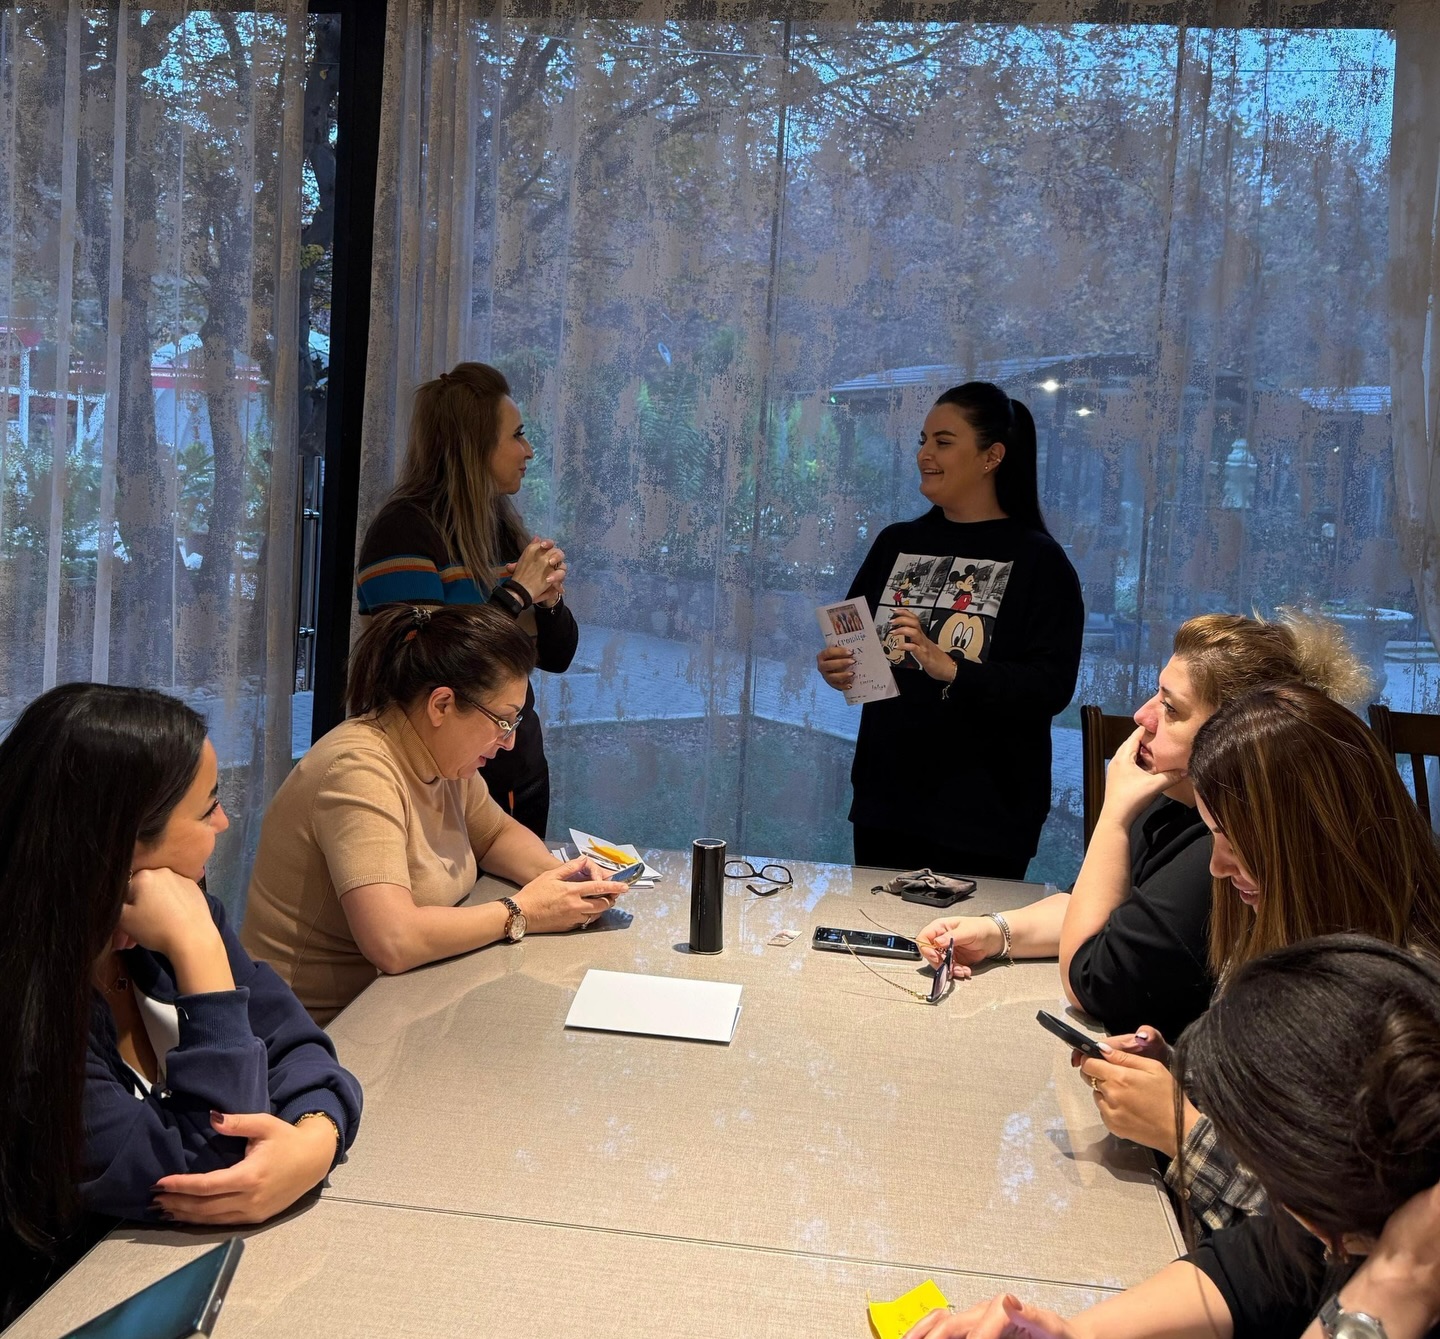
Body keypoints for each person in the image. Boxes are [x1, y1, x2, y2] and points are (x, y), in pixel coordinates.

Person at [0, 685, 362, 1327]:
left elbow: (301, 1050)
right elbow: (211, 1168)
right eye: (209, 808)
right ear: (121, 845)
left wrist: (312, 1142)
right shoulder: (28, 1009)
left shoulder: (169, 919)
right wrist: (199, 953)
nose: (224, 824)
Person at [904, 937, 1440, 1339]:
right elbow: (1257, 1267)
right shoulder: (1355, 1217)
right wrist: (1074, 1332)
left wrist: (1395, 1287)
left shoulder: (1404, 1272)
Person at [1071, 683, 1440, 1231]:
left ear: (1310, 840)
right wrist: (1176, 1076)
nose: (1216, 867)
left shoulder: (1402, 1001)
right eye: (1212, 834)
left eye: (1233, 840)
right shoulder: (1279, 924)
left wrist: (1179, 1129)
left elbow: (1349, 1237)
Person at [914, 611, 1369, 1041]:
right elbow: (1091, 906)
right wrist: (996, 931)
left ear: (1236, 733)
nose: (1142, 716)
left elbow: (1093, 983)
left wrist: (1113, 817)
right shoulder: (1172, 799)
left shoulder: (1223, 850)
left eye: (1170, 708)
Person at [243, 603, 625, 1025]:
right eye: (503, 722)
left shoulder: (443, 759)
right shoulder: (358, 771)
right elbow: (394, 940)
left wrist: (559, 879)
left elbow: (496, 834)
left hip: (398, 1007)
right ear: (441, 704)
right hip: (314, 1031)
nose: (509, 743)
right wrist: (522, 911)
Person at [816, 381, 1084, 879]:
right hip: (885, 802)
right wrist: (840, 667)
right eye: (923, 441)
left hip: (986, 815)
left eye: (943, 442)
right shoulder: (895, 543)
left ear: (992, 457)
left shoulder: (1039, 560)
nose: (924, 455)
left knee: (965, 934)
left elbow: (1051, 686)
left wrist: (952, 668)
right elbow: (860, 652)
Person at [356, 361, 577, 839]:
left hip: (517, 764)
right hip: (442, 779)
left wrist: (549, 603)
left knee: (529, 886)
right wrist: (517, 593)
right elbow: (421, 665)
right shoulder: (403, 530)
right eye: (517, 435)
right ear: (474, 445)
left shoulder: (501, 527)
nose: (528, 450)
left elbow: (556, 657)